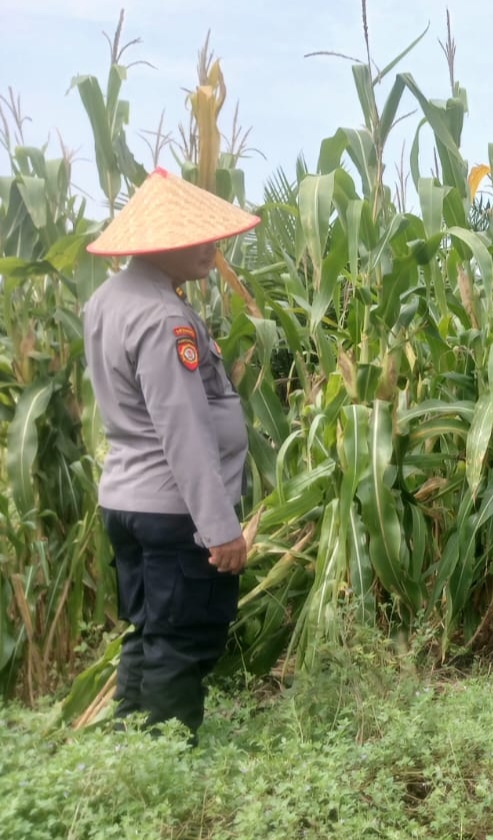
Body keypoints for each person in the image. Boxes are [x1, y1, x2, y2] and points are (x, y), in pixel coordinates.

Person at [81, 167, 260, 745]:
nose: (213, 246)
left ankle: (130, 758)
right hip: (174, 510)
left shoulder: (108, 300)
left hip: (127, 500)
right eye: (198, 235)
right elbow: (182, 431)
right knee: (181, 641)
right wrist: (219, 529)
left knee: (149, 632)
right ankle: (163, 776)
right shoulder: (163, 319)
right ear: (160, 241)